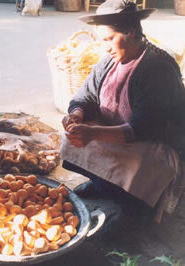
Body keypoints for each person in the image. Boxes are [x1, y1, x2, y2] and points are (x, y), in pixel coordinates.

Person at [60, 0, 185, 222]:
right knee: (72, 135)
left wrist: (93, 134)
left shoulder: (157, 67)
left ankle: (136, 207)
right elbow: (85, 95)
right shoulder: (110, 60)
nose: (105, 47)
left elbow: (144, 128)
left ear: (130, 32)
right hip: (122, 133)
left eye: (109, 39)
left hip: (155, 146)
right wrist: (76, 114)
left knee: (136, 160)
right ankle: (104, 185)